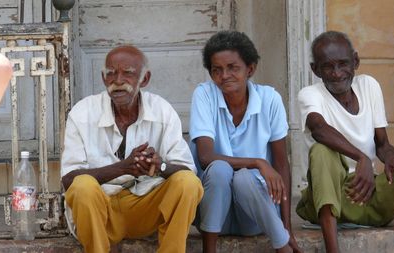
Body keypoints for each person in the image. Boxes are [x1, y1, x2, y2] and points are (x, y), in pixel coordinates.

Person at [296, 31, 394, 253]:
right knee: (321, 151)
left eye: (343, 64)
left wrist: (392, 158)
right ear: (315, 69)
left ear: (355, 62)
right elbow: (319, 129)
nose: (337, 74)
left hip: (371, 195)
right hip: (334, 197)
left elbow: (382, 143)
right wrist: (361, 157)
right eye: (328, 66)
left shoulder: (369, 86)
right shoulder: (309, 94)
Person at [61, 45, 203, 253]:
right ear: (103, 78)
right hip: (102, 212)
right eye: (111, 73)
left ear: (144, 80)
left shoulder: (162, 111)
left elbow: (187, 171)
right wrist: (123, 168)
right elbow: (68, 180)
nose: (118, 81)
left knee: (188, 183)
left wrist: (160, 165)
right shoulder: (82, 113)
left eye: (128, 73)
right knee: (82, 186)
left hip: (146, 208)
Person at [189, 30, 302, 253]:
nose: (225, 75)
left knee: (243, 178)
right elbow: (205, 157)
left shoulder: (270, 99)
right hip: (214, 215)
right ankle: (209, 250)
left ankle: (282, 244)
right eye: (217, 70)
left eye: (233, 67)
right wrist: (259, 163)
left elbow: (281, 164)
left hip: (255, 214)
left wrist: (287, 226)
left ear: (250, 69)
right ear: (211, 74)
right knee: (219, 169)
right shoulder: (204, 94)